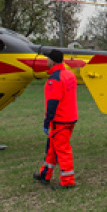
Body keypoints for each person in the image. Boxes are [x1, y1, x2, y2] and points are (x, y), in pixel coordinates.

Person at [35, 49, 78, 188]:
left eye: (47, 58)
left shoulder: (54, 79)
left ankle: (68, 181)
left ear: (52, 61)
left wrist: (47, 121)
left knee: (62, 150)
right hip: (70, 118)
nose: (46, 61)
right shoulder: (69, 74)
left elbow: (52, 102)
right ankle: (44, 174)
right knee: (52, 148)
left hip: (60, 120)